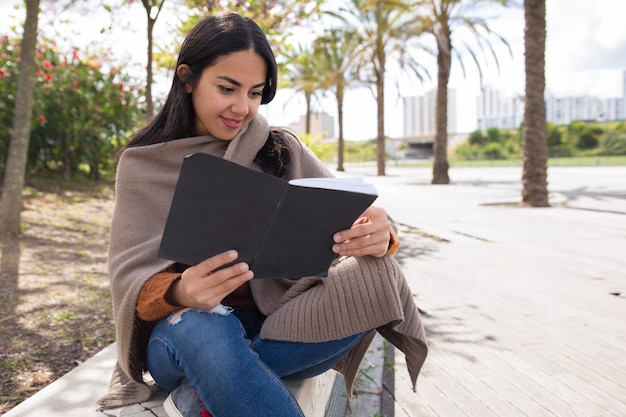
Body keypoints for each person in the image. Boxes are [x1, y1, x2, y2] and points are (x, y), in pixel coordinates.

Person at [97, 11, 427, 417]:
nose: (243, 107)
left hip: (286, 326)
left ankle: (205, 389)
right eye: (227, 88)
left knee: (377, 272)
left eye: (255, 92)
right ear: (187, 78)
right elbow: (131, 284)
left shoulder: (280, 148)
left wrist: (380, 232)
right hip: (186, 334)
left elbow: (356, 212)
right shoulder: (143, 166)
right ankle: (211, 376)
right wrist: (181, 291)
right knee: (205, 327)